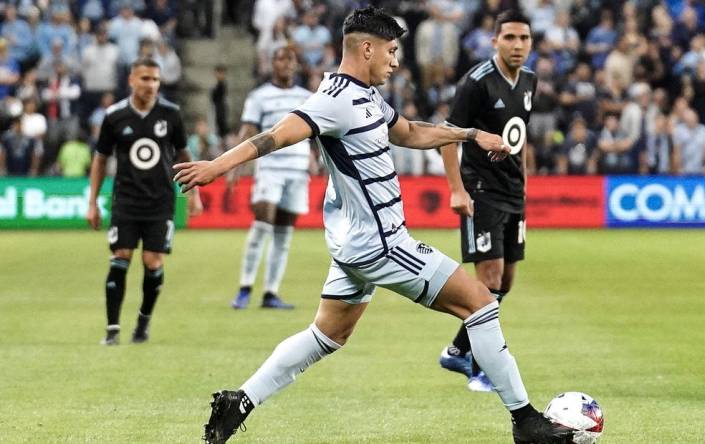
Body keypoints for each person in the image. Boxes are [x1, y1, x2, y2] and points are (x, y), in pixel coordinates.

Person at [174, 7, 570, 444]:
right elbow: (276, 135)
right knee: (480, 303)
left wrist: (470, 135)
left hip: (354, 246)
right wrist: (217, 165)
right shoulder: (332, 101)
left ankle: (239, 402)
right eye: (392, 50)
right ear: (367, 48)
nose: (396, 61)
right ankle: (526, 420)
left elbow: (411, 132)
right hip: (382, 245)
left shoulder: (366, 95)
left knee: (327, 335)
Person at [437, 10, 536, 392]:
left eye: (524, 39)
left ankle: (458, 349)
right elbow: (446, 135)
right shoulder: (476, 83)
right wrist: (457, 189)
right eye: (509, 38)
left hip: (513, 194)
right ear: (494, 41)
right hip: (481, 190)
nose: (517, 45)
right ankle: (478, 365)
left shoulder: (529, 80)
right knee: (489, 280)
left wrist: (523, 184)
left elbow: (520, 136)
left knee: (505, 282)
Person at [86, 57, 203, 346]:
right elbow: (100, 160)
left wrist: (193, 193)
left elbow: (183, 156)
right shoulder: (114, 116)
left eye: (155, 80)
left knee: (152, 262)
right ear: (131, 80)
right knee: (120, 256)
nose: (151, 85)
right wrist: (92, 202)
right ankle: (112, 329)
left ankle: (143, 322)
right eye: (145, 79)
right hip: (125, 201)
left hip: (160, 201)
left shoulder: (171, 114)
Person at [230, 46, 314, 310]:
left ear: (296, 65)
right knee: (261, 226)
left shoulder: (307, 97)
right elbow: (248, 130)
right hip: (271, 169)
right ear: (272, 63)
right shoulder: (259, 96)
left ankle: (270, 292)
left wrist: (316, 158)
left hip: (298, 171)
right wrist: (233, 164)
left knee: (283, 234)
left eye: (291, 59)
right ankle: (244, 288)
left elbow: (317, 131)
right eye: (281, 59)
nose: (286, 64)